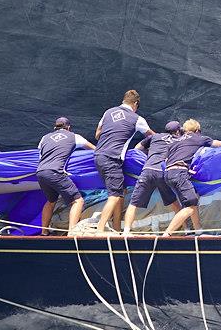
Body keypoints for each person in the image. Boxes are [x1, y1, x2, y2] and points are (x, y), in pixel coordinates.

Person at [94, 90, 154, 233]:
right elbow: (152, 136)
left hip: (98, 156)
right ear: (136, 104)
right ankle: (100, 230)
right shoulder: (136, 118)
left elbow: (97, 135)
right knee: (114, 196)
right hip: (112, 158)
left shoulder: (108, 112)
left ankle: (116, 228)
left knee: (120, 192)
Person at [163, 119, 221, 236]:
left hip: (168, 175)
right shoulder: (198, 138)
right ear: (197, 130)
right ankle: (167, 234)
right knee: (191, 206)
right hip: (179, 173)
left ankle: (198, 230)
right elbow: (218, 143)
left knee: (191, 202)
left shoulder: (176, 141)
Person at [123, 121, 198, 233]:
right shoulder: (178, 140)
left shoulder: (154, 136)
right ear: (178, 131)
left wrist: (148, 157)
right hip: (163, 172)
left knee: (133, 203)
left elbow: (136, 148)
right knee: (173, 202)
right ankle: (186, 229)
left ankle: (126, 232)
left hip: (148, 170)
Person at [37, 117, 95, 235]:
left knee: (51, 201)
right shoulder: (74, 136)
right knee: (78, 201)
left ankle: (44, 232)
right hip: (56, 172)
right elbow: (94, 149)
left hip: (40, 172)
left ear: (55, 127)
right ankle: (72, 232)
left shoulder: (44, 138)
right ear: (68, 127)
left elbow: (41, 155)